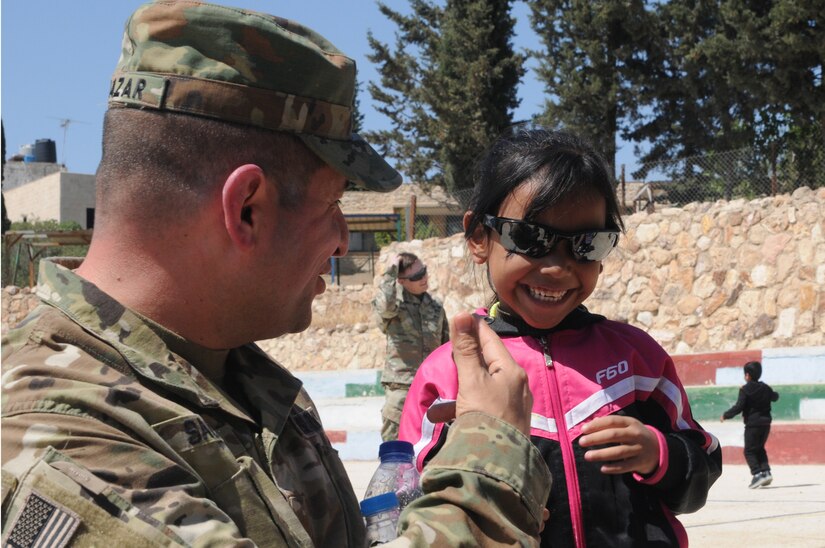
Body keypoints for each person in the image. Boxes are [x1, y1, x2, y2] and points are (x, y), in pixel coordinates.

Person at [0, 3, 552, 546]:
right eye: (332, 204)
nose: (341, 239)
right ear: (247, 208)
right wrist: (489, 468)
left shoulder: (230, 378)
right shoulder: (59, 437)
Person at [399, 125, 723, 547]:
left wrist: (659, 453)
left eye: (587, 244)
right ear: (480, 237)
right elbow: (409, 495)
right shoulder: (449, 375)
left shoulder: (638, 359)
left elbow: (702, 464)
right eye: (530, 238)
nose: (557, 267)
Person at [373, 251, 449, 441]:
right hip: (401, 388)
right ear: (401, 281)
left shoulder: (436, 308)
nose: (423, 278)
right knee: (394, 452)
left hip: (431, 387)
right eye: (416, 276)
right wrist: (390, 270)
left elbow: (445, 348)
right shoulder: (394, 308)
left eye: (423, 271)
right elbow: (384, 306)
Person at [720, 360, 779, 489]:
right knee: (759, 448)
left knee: (749, 451)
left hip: (752, 424)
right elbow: (775, 397)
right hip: (766, 423)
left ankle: (757, 474)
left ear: (747, 375)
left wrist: (726, 415)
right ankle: (766, 472)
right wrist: (770, 393)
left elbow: (739, 407)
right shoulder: (765, 387)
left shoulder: (745, 390)